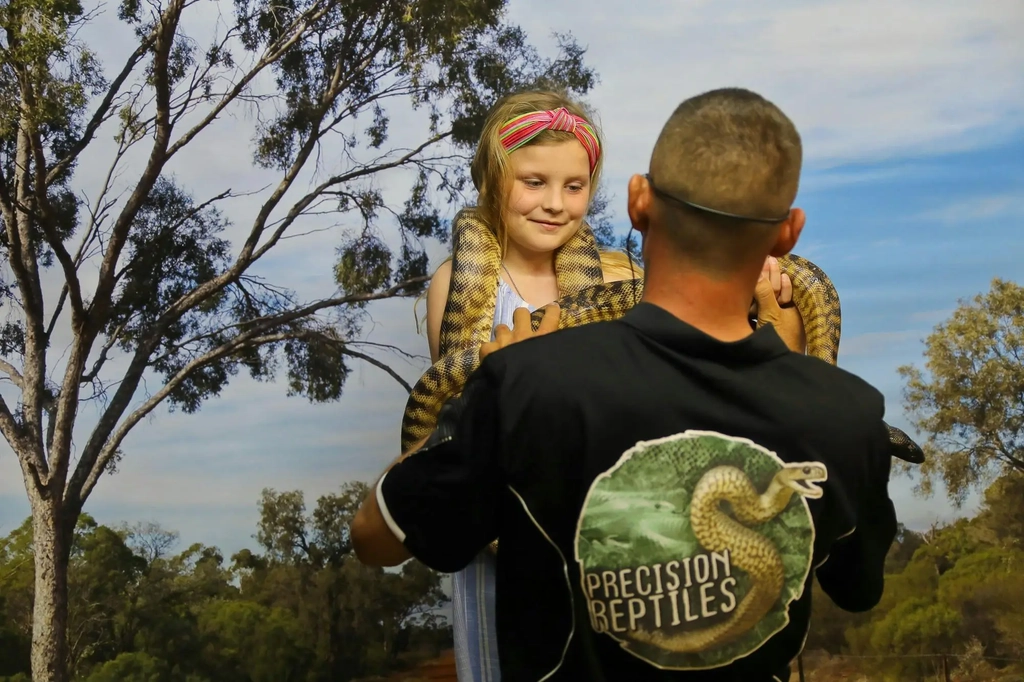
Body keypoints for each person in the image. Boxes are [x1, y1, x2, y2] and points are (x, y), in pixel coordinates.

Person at [353, 87, 890, 681]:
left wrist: (770, 307)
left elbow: (698, 386)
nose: (555, 204)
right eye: (533, 183)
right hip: (519, 535)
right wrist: (503, 374)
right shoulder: (466, 286)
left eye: (575, 187)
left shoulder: (627, 275)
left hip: (627, 533)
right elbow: (470, 440)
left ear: (633, 200)